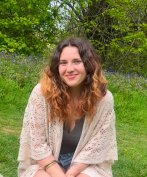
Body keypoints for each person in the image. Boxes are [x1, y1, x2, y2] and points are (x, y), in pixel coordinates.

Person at [18, 37, 118, 177]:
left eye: (76, 61)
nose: (69, 69)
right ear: (56, 67)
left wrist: (70, 174)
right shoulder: (41, 93)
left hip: (85, 164)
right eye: (63, 63)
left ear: (89, 64)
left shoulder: (104, 99)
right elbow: (37, 143)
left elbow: (96, 146)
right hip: (45, 163)